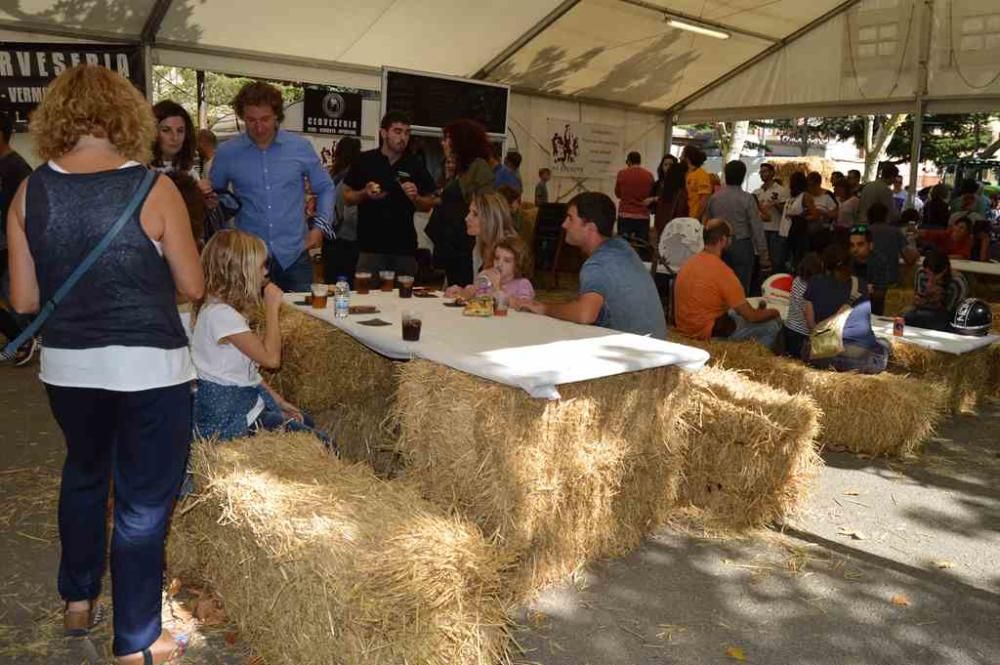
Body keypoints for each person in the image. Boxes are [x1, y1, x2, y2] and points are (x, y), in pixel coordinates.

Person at [6, 64, 204, 665]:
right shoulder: (155, 188)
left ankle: (77, 599)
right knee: (143, 503)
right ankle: (139, 639)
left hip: (69, 369)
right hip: (150, 370)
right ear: (129, 116)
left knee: (85, 474)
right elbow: (192, 285)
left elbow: (23, 302)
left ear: (55, 118)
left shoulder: (29, 190)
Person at [192, 230, 329, 442]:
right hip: (231, 415)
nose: (266, 272)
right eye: (261, 266)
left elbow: (246, 373)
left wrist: (280, 402)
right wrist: (271, 308)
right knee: (323, 444)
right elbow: (272, 360)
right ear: (240, 272)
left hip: (245, 402)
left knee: (306, 421)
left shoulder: (221, 310)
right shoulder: (221, 315)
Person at [210, 82, 334, 292]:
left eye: (265, 119)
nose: (259, 127)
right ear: (242, 117)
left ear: (277, 115)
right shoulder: (227, 153)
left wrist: (319, 228)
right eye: (251, 120)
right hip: (248, 260)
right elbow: (214, 200)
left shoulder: (299, 147)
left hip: (294, 256)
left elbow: (325, 187)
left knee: (301, 322)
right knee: (250, 322)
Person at [513, 192, 666, 339]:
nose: (564, 224)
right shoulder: (623, 248)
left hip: (633, 354)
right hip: (654, 344)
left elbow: (585, 314)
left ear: (590, 228)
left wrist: (544, 308)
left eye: (570, 218)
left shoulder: (597, 263)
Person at [343, 111, 436, 278]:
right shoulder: (365, 160)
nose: (403, 138)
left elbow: (429, 203)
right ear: (384, 133)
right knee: (366, 301)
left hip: (404, 250)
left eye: (407, 133)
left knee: (403, 302)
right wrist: (365, 193)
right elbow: (347, 197)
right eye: (397, 131)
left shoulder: (414, 164)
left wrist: (416, 198)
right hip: (369, 248)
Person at [674, 219, 781, 348]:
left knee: (734, 312)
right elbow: (752, 316)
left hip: (685, 327)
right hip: (707, 332)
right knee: (772, 326)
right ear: (723, 240)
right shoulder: (723, 272)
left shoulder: (689, 263)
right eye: (731, 237)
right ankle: (749, 358)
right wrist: (774, 312)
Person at [426, 119, 495, 286]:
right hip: (452, 242)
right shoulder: (461, 169)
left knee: (463, 288)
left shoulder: (478, 167)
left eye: (447, 138)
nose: (443, 143)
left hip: (465, 243)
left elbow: (485, 205)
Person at [803, 244, 888, 373]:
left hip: (819, 356)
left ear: (823, 263)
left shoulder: (814, 282)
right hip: (855, 359)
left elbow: (810, 324)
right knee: (884, 345)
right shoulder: (860, 285)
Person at [0, 110, 36, 365]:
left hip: (10, 243)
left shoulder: (16, 167)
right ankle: (25, 336)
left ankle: (24, 338)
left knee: (18, 296)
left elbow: (27, 209)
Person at [704, 159, 770, 293]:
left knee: (718, 285)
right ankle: (738, 312)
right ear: (743, 176)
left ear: (726, 175)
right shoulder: (747, 198)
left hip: (718, 244)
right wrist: (763, 254)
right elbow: (757, 228)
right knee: (740, 288)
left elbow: (708, 223)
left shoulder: (715, 198)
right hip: (742, 245)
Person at [152, 100, 208, 245]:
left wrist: (205, 201)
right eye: (166, 130)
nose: (174, 137)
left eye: (180, 131)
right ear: (152, 132)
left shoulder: (190, 172)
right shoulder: (140, 170)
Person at [446, 234, 535, 302]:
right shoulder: (487, 280)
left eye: (507, 261)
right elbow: (473, 295)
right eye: (497, 258)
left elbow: (523, 308)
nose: (499, 264)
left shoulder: (522, 284)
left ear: (518, 264)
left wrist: (497, 288)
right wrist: (461, 292)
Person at [323, 136, 362, 284]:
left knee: (331, 283)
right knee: (346, 286)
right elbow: (351, 213)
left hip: (329, 235)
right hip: (347, 237)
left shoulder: (331, 176)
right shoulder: (354, 178)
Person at [904, 248, 965, 331]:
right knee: (908, 317)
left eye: (934, 275)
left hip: (946, 318)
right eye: (927, 273)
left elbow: (952, 312)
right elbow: (918, 300)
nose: (929, 277)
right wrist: (921, 300)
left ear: (944, 271)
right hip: (923, 312)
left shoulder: (957, 283)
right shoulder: (921, 273)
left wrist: (935, 297)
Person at [783, 252, 823, 359]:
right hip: (802, 335)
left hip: (789, 328)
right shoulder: (811, 289)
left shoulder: (796, 281)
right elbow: (809, 319)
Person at [614, 151, 655, 250]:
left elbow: (618, 193)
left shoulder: (622, 174)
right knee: (643, 246)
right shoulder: (649, 175)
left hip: (625, 214)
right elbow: (651, 195)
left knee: (623, 246)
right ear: (640, 161)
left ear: (628, 161)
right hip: (643, 216)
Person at [753, 162, 789, 274]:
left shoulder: (781, 190)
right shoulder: (757, 192)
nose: (762, 174)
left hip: (775, 229)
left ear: (772, 173)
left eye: (765, 171)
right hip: (760, 229)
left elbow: (785, 211)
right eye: (761, 172)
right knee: (761, 258)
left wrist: (776, 203)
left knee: (776, 260)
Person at [848, 224, 891, 315]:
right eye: (852, 245)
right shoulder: (847, 261)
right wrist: (865, 289)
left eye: (860, 244)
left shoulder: (879, 261)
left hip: (872, 311)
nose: (855, 249)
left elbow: (880, 293)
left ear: (870, 245)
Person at [683, 145, 713, 221]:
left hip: (695, 218)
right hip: (686, 216)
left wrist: (697, 217)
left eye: (682, 155)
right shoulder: (686, 173)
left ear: (687, 158)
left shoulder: (701, 174)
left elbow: (705, 199)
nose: (680, 158)